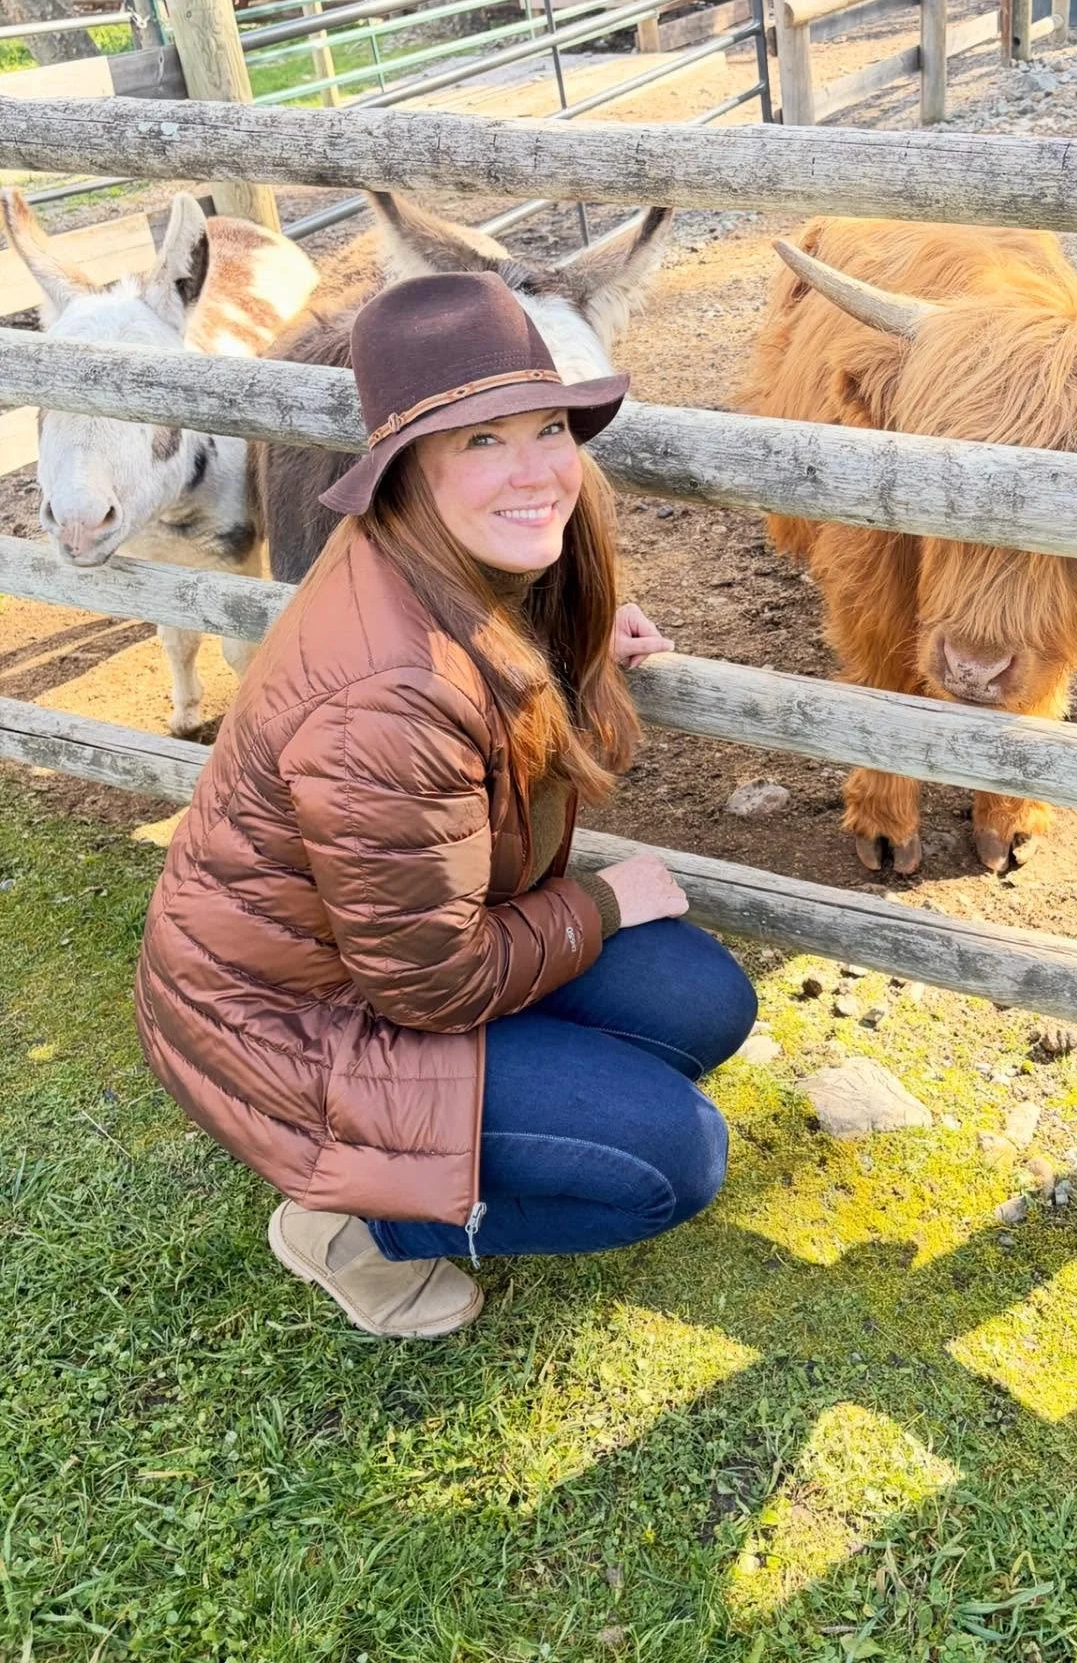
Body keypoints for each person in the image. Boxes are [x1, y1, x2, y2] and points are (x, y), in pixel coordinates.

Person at [134, 272, 757, 1338]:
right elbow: (434, 982)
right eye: (479, 441)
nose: (536, 470)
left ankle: (494, 1122)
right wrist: (604, 905)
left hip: (375, 960)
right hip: (294, 1030)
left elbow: (490, 686)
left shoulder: (443, 570)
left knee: (703, 1003)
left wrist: (574, 641)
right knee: (674, 1161)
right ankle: (355, 1230)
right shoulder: (391, 695)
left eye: (547, 427)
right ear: (406, 469)